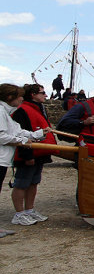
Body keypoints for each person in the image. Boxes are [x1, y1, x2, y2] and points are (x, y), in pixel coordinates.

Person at [0, 83, 47, 233]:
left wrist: (37, 135)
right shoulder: (1, 111)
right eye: (19, 96)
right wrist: (23, 142)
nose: (22, 98)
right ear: (9, 97)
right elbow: (1, 135)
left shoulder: (6, 112)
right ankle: (17, 215)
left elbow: (18, 130)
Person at [11, 84, 58, 226]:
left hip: (39, 152)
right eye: (42, 93)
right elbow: (20, 134)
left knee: (33, 182)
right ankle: (19, 213)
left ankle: (29, 210)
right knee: (21, 183)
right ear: (32, 94)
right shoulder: (22, 111)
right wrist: (27, 155)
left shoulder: (39, 109)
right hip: (28, 152)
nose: (45, 95)